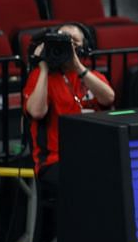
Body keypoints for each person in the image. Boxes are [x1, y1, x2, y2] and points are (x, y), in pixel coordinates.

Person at [23, 23, 115, 191]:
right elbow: (37, 112)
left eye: (73, 42)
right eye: (62, 40)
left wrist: (77, 66)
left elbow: (108, 98)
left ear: (84, 48)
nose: (67, 46)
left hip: (95, 156)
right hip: (56, 161)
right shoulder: (40, 79)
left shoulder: (92, 77)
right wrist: (42, 68)